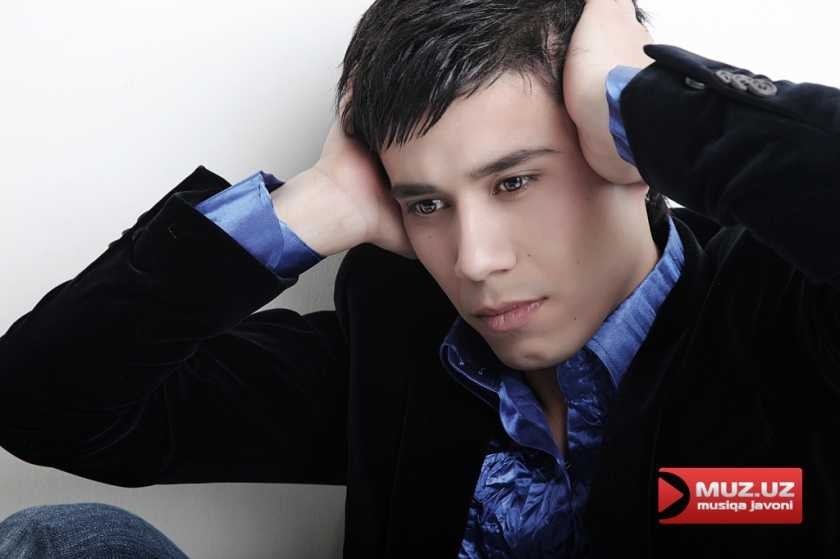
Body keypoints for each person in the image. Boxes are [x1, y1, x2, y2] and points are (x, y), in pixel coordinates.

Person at [1, 0, 838, 557]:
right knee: (60, 541)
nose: (473, 260)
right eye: (427, 203)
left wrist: (651, 102)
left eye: (514, 181)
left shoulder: (785, 305)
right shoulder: (403, 341)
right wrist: (312, 207)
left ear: (622, 155)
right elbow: (45, 402)